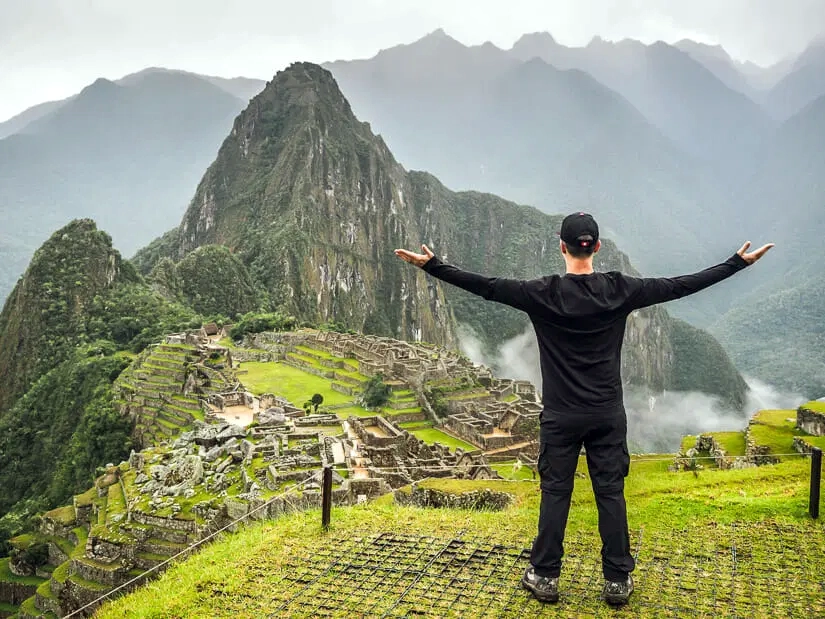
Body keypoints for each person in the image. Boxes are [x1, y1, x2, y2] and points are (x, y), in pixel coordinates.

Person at [394, 212, 773, 606]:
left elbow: (486, 287)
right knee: (610, 492)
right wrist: (735, 264)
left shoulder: (541, 292)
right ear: (597, 248)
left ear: (562, 246)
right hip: (607, 413)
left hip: (561, 416)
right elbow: (678, 286)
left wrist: (433, 266)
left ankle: (544, 575)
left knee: (555, 492)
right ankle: (616, 580)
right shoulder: (619, 289)